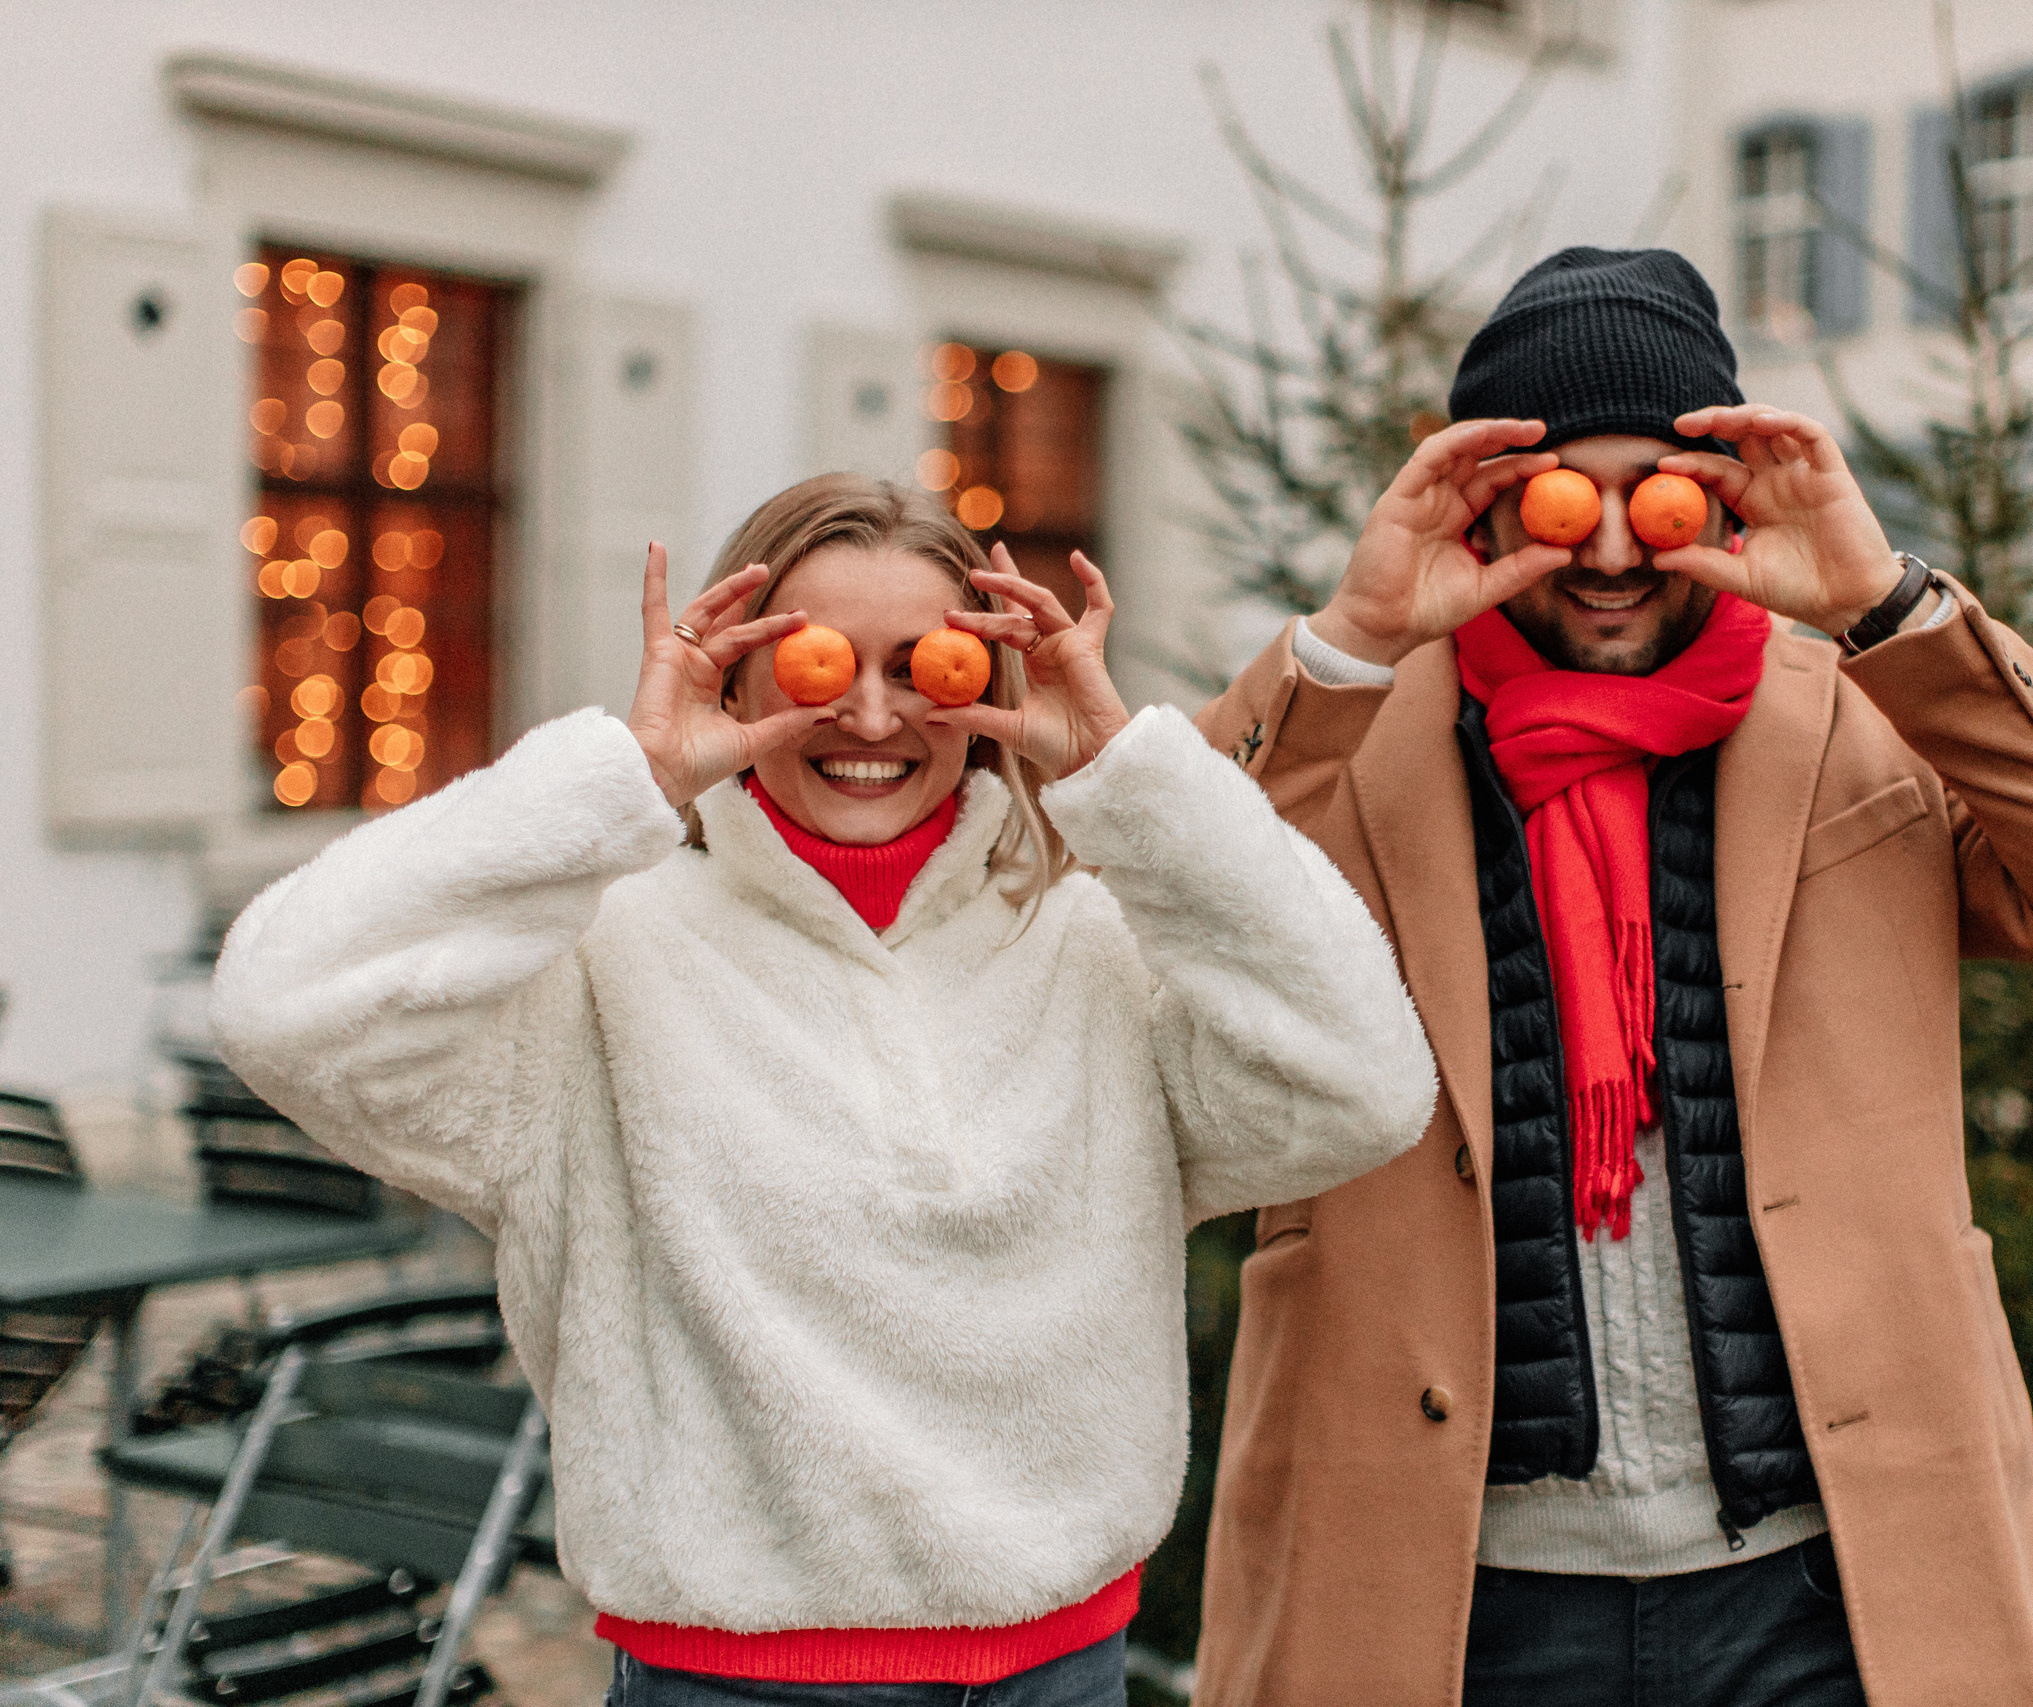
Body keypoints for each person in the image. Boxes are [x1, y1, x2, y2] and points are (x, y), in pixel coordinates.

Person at [210, 474, 1438, 1707]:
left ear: (988, 687)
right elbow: (280, 1003)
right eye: (817, 664)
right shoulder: (602, 966)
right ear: (735, 681)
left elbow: (1366, 1085)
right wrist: (625, 775)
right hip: (731, 1687)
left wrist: (1134, 783)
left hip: (1063, 1674)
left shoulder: (1093, 944)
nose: (870, 713)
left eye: (924, 666)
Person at [1192, 249, 2033, 1707]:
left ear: (1727, 498)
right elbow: (1146, 911)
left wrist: (1883, 602)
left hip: (1823, 1589)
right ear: (1485, 504)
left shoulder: (1863, 714)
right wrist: (1352, 641)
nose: (1614, 549)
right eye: (1564, 497)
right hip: (1454, 1594)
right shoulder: (1351, 739)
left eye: (1660, 494)